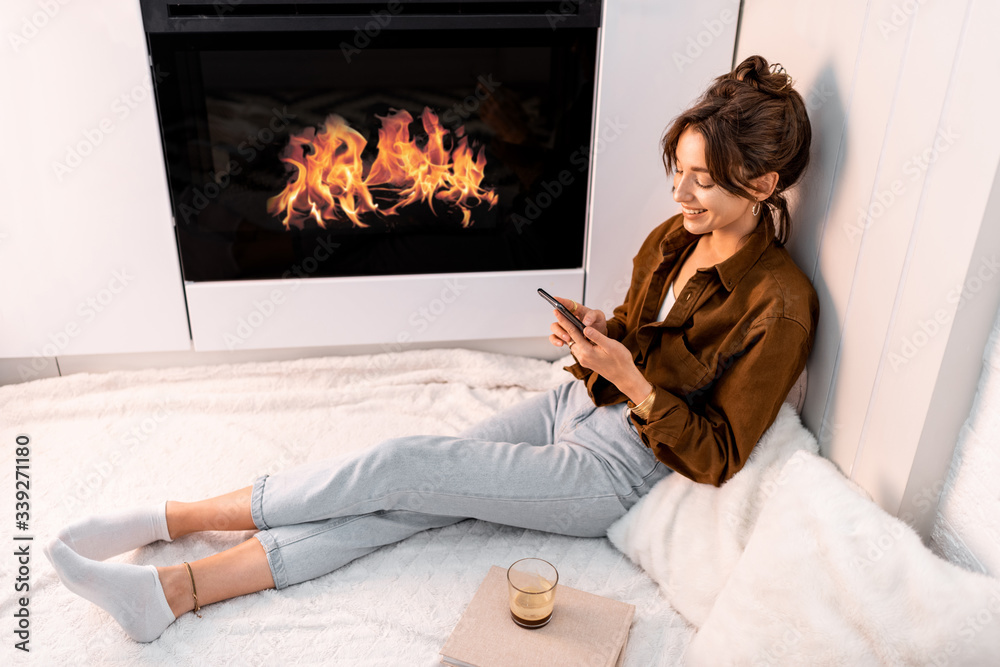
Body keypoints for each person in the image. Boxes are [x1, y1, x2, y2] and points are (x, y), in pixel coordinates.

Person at [44, 55, 818, 643]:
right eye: (678, 173)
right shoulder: (674, 238)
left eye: (703, 184)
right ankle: (172, 593)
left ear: (763, 183)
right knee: (403, 502)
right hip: (570, 400)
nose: (680, 197)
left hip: (611, 467)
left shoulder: (779, 305)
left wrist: (635, 383)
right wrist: (600, 337)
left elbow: (718, 452)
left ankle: (174, 517)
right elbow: (640, 331)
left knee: (400, 465)